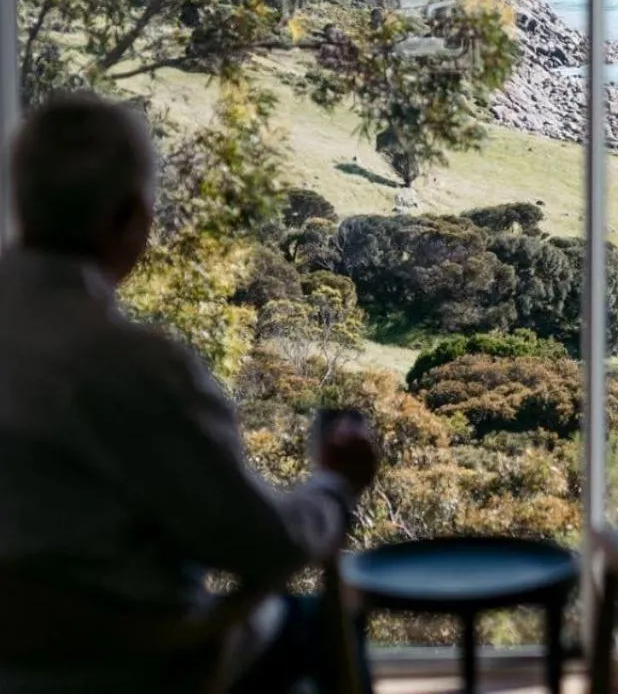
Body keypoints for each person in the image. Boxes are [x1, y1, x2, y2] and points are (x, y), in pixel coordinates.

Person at [0, 93, 379, 692]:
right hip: (144, 664)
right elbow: (261, 545)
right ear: (132, 218)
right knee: (321, 629)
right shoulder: (133, 366)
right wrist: (335, 487)